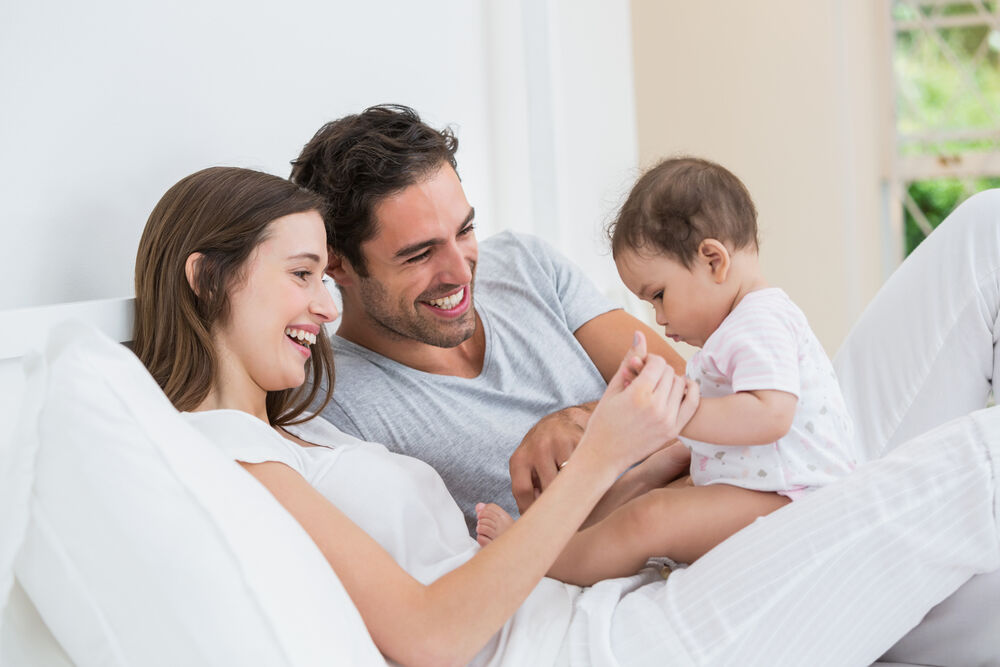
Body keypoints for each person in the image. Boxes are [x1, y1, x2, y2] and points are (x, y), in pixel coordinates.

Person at [132, 164, 1000, 665]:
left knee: (983, 233)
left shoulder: (294, 426)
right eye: (302, 275)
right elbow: (429, 635)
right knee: (976, 467)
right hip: (611, 633)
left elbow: (678, 384)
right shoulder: (244, 455)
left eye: (317, 277)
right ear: (207, 278)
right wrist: (596, 466)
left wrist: (617, 439)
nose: (319, 306)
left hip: (671, 532)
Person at [289, 104, 690, 530]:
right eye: (420, 254)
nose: (462, 273)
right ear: (337, 265)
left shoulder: (526, 264)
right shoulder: (333, 407)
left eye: (464, 231)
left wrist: (575, 419)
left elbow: (689, 392)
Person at [475, 157, 862, 584]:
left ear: (713, 261)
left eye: (658, 295)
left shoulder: (758, 321)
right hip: (769, 488)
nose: (657, 317)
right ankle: (551, 536)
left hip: (795, 501)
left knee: (652, 516)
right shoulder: (739, 326)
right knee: (648, 482)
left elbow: (772, 414)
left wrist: (677, 410)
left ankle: (546, 563)